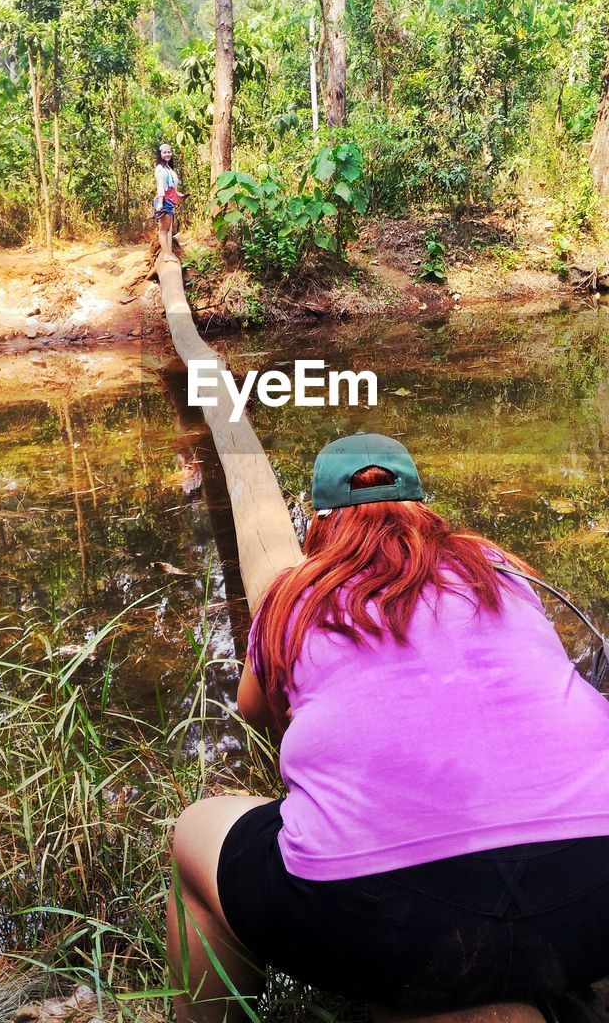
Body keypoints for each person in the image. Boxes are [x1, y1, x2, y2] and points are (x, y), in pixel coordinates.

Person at [167, 432, 609, 1023]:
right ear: (422, 508)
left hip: (390, 928)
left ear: (319, 523)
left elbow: (253, 707)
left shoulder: (295, 594)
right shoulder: (497, 572)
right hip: (594, 897)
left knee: (197, 829)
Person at [153, 143, 186, 264]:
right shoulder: (160, 169)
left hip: (170, 201)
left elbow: (171, 186)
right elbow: (161, 187)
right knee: (163, 230)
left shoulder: (169, 169)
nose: (167, 154)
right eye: (164, 152)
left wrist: (179, 194)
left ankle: (168, 252)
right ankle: (166, 255)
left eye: (169, 152)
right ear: (160, 154)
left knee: (168, 230)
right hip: (164, 201)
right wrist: (160, 203)